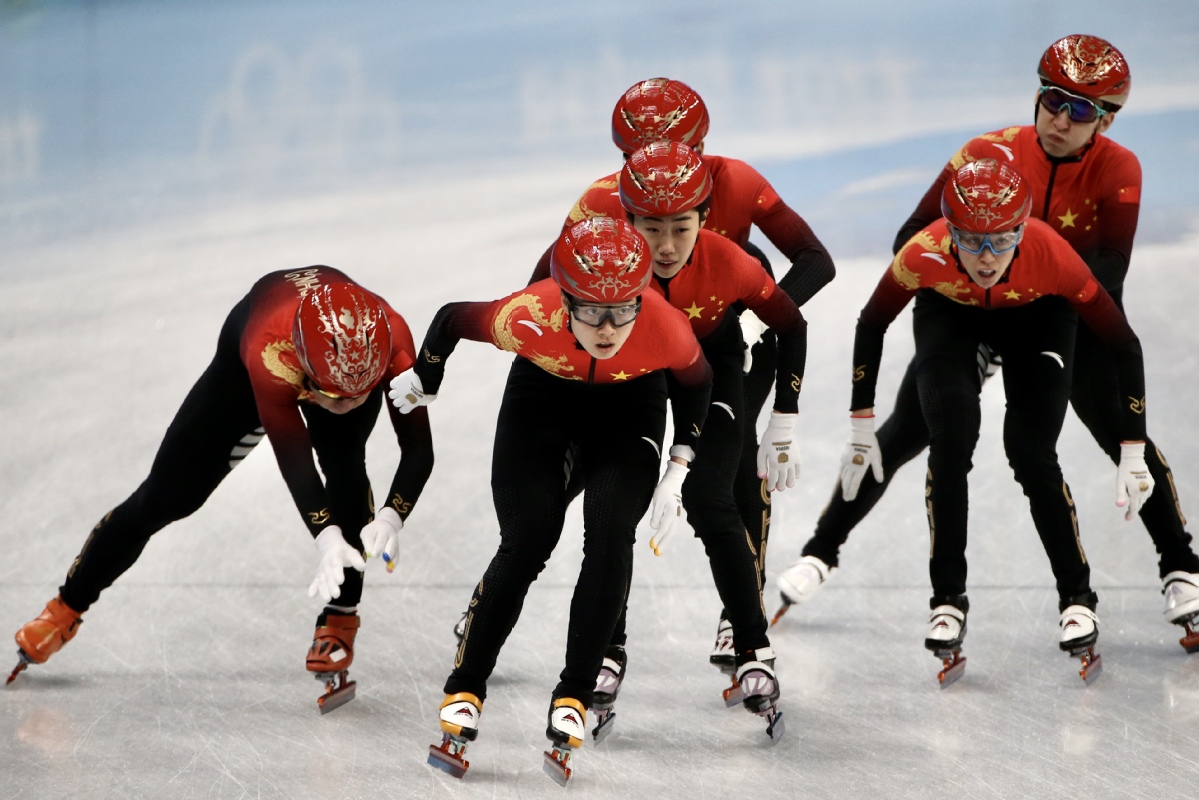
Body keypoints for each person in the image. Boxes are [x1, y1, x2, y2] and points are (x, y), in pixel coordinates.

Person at [775, 34, 1199, 651]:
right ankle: (821, 550)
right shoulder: (985, 153)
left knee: (1115, 429)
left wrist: (1034, 292)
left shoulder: (1119, 168)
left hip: (1061, 310)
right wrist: (964, 289)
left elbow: (1110, 266)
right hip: (968, 308)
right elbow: (912, 234)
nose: (1060, 119)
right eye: (1054, 100)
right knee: (906, 432)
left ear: (1106, 120)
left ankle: (1181, 565)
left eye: (1081, 111)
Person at [9, 267, 434, 713]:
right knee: (165, 497)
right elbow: (294, 457)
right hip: (254, 344)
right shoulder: (270, 353)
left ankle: (340, 620)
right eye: (334, 396)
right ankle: (65, 607)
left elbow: (419, 451)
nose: (345, 406)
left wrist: (391, 515)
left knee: (346, 471)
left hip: (334, 359)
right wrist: (326, 537)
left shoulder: (395, 345)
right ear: (305, 373)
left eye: (360, 396)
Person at [521, 77, 835, 665]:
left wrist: (754, 325)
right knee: (600, 480)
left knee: (731, 470)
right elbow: (543, 290)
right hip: (640, 341)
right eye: (629, 160)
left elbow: (814, 262)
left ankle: (741, 612)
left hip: (730, 330)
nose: (650, 171)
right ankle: (582, 618)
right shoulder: (603, 199)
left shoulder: (736, 180)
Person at [392, 217, 715, 784]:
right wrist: (427, 374)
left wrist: (678, 467)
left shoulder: (664, 326)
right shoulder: (527, 315)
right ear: (565, 298)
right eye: (591, 309)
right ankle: (466, 686)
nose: (609, 327)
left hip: (630, 411)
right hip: (543, 399)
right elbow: (449, 320)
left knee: (612, 534)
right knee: (529, 536)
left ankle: (574, 693)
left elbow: (698, 383)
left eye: (623, 309)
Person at [824, 158, 1154, 683]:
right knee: (949, 438)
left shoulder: (1054, 255)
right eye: (971, 240)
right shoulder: (923, 253)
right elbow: (872, 322)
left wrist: (1133, 447)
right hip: (951, 314)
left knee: (1030, 450)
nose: (985, 257)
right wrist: (862, 425)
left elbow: (1123, 342)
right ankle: (947, 600)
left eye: (1001, 240)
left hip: (1038, 317)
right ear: (949, 231)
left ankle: (1077, 597)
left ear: (1022, 229)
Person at [585, 141, 805, 737]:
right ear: (624, 220)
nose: (664, 245)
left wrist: (784, 416)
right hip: (638, 369)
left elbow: (793, 322)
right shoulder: (598, 255)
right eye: (650, 227)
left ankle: (754, 648)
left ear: (704, 220)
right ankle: (608, 650)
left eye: (680, 227)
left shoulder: (730, 260)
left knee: (712, 500)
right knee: (618, 504)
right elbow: (549, 307)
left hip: (716, 363)